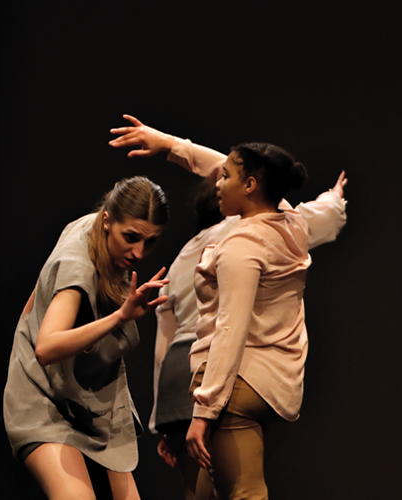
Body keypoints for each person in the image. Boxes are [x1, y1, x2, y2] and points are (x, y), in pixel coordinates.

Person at [110, 115, 348, 499]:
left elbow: (228, 329)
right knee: (219, 490)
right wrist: (333, 200)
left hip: (231, 379)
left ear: (249, 185)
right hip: (280, 384)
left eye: (225, 177)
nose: (217, 181)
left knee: (239, 491)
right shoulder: (292, 224)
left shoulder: (237, 245)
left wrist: (199, 411)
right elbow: (320, 212)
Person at [3, 176, 170, 500]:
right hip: (43, 399)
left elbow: (38, 295)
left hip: (89, 398)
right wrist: (120, 316)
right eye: (131, 237)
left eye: (150, 242)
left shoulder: (94, 228)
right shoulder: (77, 265)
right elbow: (46, 347)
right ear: (107, 220)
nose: (138, 252)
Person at [150, 179, 233, 500]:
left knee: (196, 493)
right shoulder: (238, 234)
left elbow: (163, 343)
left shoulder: (181, 257)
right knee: (235, 485)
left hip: (174, 372)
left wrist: (161, 419)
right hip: (209, 362)